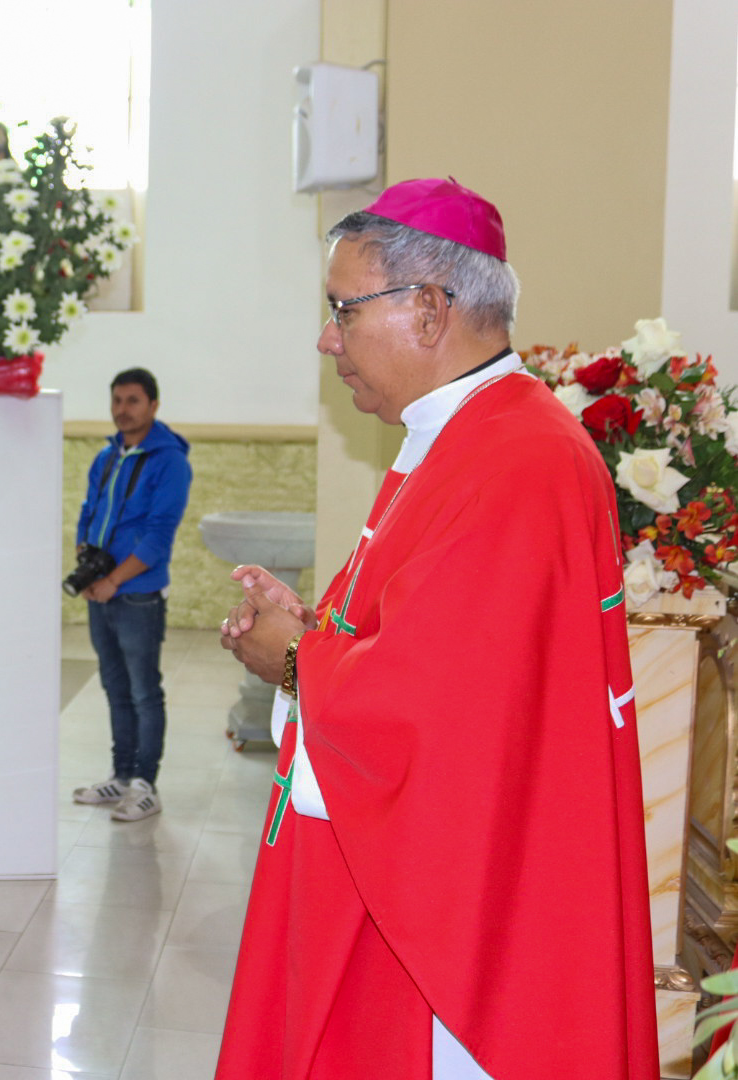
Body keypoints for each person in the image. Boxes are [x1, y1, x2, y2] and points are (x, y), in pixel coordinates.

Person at [215, 179, 656, 1077]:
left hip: (468, 925)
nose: (327, 338)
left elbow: (445, 712)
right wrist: (313, 632)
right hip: (437, 885)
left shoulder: (519, 460)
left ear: (426, 307)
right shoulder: (464, 439)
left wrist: (297, 661)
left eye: (343, 310)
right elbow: (426, 642)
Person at [70, 368, 192, 822]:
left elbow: (159, 536)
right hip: (101, 592)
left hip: (137, 595)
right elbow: (88, 513)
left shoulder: (170, 462)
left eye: (133, 401)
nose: (123, 410)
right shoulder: (106, 457)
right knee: (114, 686)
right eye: (117, 401)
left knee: (143, 691)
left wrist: (114, 580)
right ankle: (120, 777)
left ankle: (145, 784)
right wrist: (86, 565)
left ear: (153, 406)